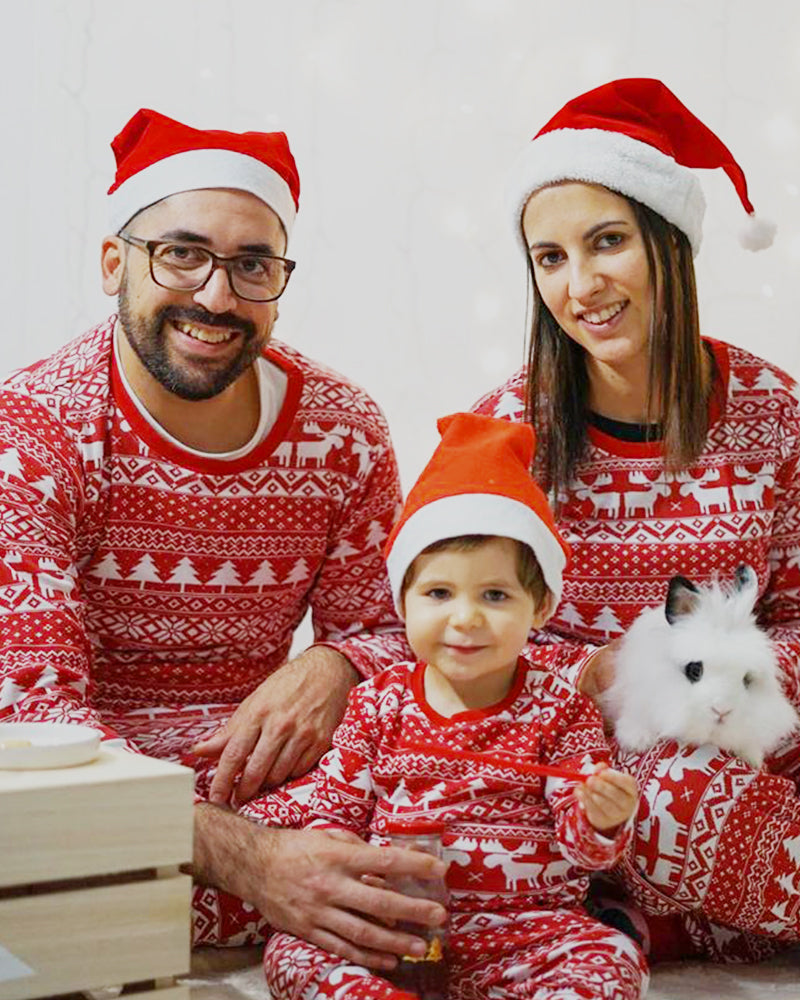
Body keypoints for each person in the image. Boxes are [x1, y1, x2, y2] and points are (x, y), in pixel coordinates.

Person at [0, 108, 448, 961]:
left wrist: (334, 662)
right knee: (35, 846)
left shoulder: (343, 429)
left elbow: (397, 632)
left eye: (251, 265)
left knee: (468, 796)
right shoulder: (33, 434)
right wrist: (255, 862)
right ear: (112, 263)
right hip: (94, 778)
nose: (216, 295)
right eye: (182, 253)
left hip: (269, 769)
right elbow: (34, 720)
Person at [473, 77, 800, 963]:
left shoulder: (771, 409)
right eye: (549, 258)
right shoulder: (507, 432)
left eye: (607, 241)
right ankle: (674, 902)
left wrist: (735, 687)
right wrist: (605, 677)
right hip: (589, 752)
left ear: (672, 246)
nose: (580, 286)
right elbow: (453, 628)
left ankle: (673, 918)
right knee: (667, 798)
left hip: (752, 722)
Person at [245, 412, 647, 1000]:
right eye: (438, 593)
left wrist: (603, 816)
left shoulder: (560, 709)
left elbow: (579, 846)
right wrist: (351, 872)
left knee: (611, 957)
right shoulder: (377, 704)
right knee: (292, 952)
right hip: (393, 926)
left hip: (527, 933)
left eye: (495, 594)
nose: (465, 618)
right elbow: (333, 815)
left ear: (539, 610)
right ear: (402, 602)